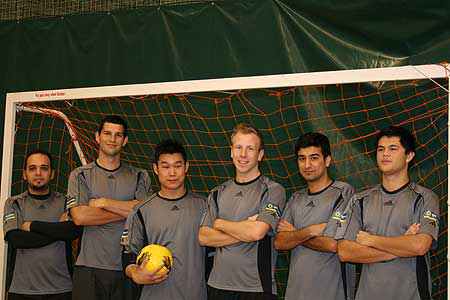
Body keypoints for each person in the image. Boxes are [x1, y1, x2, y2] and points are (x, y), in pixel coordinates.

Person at [337, 126, 440, 300]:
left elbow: (420, 246)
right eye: (381, 149)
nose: (385, 154)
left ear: (409, 156)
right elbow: (345, 252)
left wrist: (371, 240)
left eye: (393, 149)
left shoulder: (426, 198)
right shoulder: (359, 200)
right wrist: (401, 246)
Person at [67, 115, 152, 300]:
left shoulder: (140, 175)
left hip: (128, 268)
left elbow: (145, 214)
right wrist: (129, 210)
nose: (112, 139)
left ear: (125, 140)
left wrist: (104, 203)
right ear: (97, 137)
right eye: (107, 133)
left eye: (118, 135)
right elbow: (80, 217)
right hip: (89, 268)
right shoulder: (80, 175)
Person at [199, 123, 286, 300]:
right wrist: (243, 229)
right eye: (238, 147)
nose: (243, 155)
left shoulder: (273, 190)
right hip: (217, 286)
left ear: (260, 155)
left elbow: (256, 232)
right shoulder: (217, 193)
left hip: (256, 289)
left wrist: (220, 224)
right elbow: (204, 237)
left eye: (250, 148)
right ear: (231, 151)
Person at [122, 139, 207, 300]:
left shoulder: (205, 206)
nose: (172, 173)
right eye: (166, 166)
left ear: (186, 167)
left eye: (177, 166)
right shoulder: (141, 210)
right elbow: (127, 255)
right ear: (156, 168)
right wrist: (134, 273)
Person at [274, 132, 354, 300]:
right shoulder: (296, 198)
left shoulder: (344, 192)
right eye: (302, 158)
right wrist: (309, 231)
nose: (307, 165)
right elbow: (280, 242)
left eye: (314, 158)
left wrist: (294, 233)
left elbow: (333, 244)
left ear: (327, 160)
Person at [3, 150, 80, 300]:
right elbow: (16, 239)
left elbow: (73, 231)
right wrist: (58, 229)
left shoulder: (65, 202)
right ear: (24, 174)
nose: (38, 173)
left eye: (44, 168)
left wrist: (32, 226)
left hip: (61, 289)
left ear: (52, 174)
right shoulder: (14, 203)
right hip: (22, 290)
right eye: (32, 168)